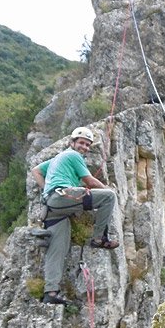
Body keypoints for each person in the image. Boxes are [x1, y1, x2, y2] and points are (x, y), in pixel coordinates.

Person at [31, 126, 119, 305]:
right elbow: (90, 181)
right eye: (81, 143)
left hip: (53, 207)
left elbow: (36, 171)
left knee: (57, 248)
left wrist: (46, 190)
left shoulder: (57, 158)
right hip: (63, 196)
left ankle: (51, 292)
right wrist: (108, 189)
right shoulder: (73, 155)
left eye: (87, 145)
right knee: (109, 197)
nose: (84, 147)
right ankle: (99, 239)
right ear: (72, 143)